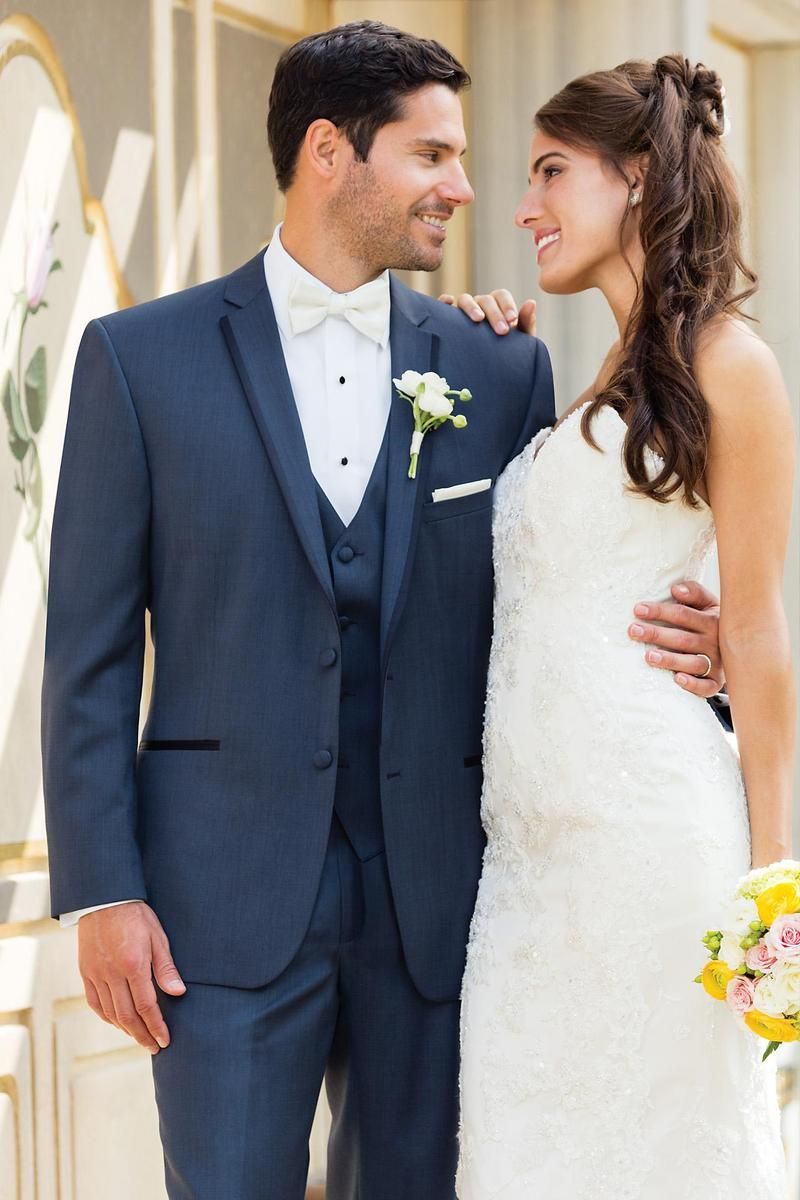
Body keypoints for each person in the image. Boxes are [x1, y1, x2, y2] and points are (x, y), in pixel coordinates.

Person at [42, 24, 724, 1199]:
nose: (464, 187)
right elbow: (87, 655)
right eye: (431, 155)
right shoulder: (139, 361)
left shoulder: (495, 366)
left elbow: (545, 590)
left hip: (441, 904)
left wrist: (701, 647)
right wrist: (105, 891)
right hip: (217, 908)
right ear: (328, 151)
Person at [451, 55, 794, 1198]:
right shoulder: (588, 376)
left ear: (637, 175)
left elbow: (754, 630)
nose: (521, 206)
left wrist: (770, 885)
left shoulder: (729, 365)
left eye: (550, 171)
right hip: (527, 870)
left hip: (648, 844)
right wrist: (458, 342)